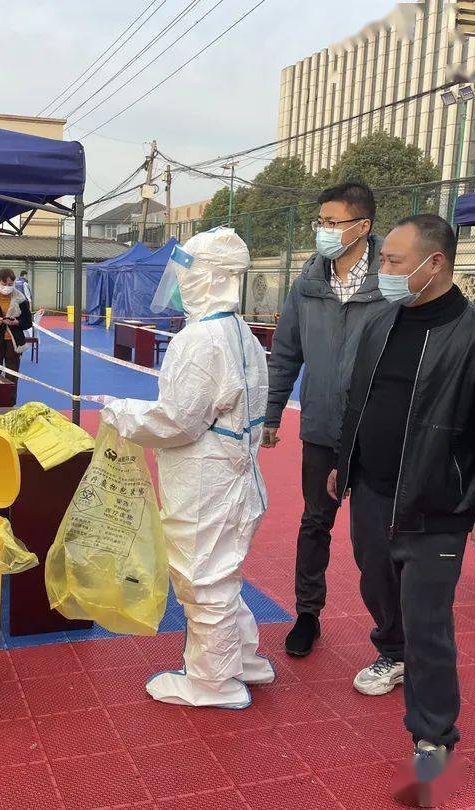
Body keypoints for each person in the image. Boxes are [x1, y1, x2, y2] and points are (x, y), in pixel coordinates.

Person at [330, 214, 475, 798]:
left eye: (391, 261)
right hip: (371, 492)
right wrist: (346, 462)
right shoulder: (380, 321)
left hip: (436, 504)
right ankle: (391, 652)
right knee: (376, 588)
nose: (381, 271)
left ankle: (433, 734)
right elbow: (358, 400)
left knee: (429, 625)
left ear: (433, 263)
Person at [96, 228, 273, 709]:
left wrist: (119, 411)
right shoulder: (242, 334)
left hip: (206, 482)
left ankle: (214, 682)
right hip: (236, 478)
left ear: (210, 278)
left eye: (185, 272)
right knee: (222, 575)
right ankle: (244, 660)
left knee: (202, 579)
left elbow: (178, 420)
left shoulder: (199, 340)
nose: (177, 283)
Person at [260, 182, 391, 658]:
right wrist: (272, 412)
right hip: (320, 427)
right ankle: (307, 614)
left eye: (333, 222)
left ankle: (390, 633)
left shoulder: (390, 283)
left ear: (363, 227)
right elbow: (286, 351)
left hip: (376, 433)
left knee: (374, 535)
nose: (324, 231)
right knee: (316, 523)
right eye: (321, 222)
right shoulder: (308, 283)